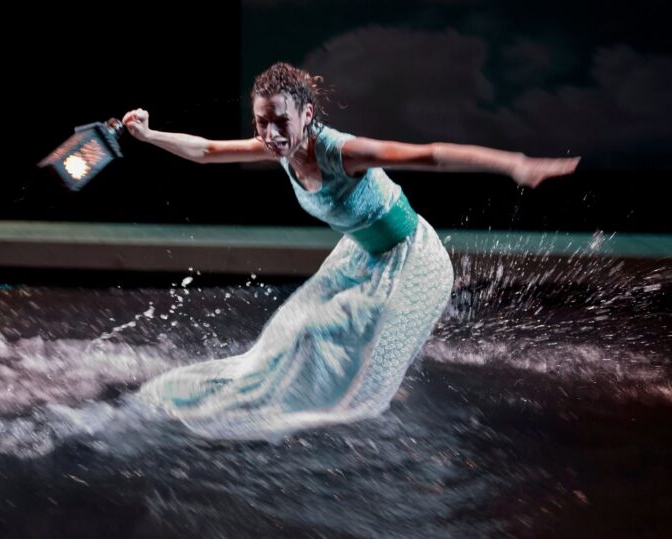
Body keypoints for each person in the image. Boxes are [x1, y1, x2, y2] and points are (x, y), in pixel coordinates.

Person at [121, 62, 579, 440]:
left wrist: (515, 164)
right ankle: (318, 390)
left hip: (409, 258)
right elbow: (207, 151)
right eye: (262, 121)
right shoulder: (276, 149)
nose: (271, 133)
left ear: (306, 113)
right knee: (288, 332)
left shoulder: (342, 152)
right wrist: (150, 135)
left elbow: (431, 154)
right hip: (362, 257)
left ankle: (341, 399)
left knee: (320, 330)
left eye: (281, 121)